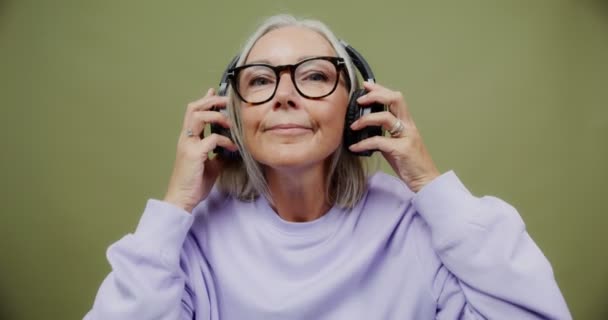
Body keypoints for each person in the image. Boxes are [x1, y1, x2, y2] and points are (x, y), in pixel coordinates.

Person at [84, 14, 571, 320]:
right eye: (259, 82)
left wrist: (429, 184)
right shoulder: (192, 241)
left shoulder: (415, 228)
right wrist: (174, 209)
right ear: (233, 117)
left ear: (356, 107)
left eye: (313, 75)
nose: (286, 96)